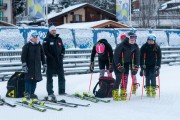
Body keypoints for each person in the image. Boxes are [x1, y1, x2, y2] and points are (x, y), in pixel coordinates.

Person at [112, 32, 140, 101]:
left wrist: (136, 67)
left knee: (125, 78)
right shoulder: (121, 45)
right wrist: (119, 66)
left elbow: (137, 57)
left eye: (134, 38)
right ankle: (115, 92)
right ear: (127, 38)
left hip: (126, 63)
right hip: (117, 62)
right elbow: (115, 56)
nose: (133, 39)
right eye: (131, 38)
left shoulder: (135, 46)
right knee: (119, 77)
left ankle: (123, 91)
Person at [21, 31, 46, 100]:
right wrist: (24, 65)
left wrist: (44, 64)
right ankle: (27, 93)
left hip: (37, 66)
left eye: (36, 37)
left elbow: (42, 56)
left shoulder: (39, 45)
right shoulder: (27, 46)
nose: (35, 38)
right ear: (31, 38)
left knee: (35, 80)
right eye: (34, 37)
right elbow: (23, 56)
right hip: (29, 66)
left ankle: (32, 93)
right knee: (28, 80)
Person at [43, 25, 65, 100]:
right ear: (49, 31)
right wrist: (51, 57)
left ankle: (62, 91)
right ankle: (50, 92)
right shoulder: (46, 39)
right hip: (50, 61)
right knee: (49, 77)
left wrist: (62, 55)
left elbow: (63, 49)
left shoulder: (59, 39)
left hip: (59, 61)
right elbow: (45, 50)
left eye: (55, 30)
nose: (54, 32)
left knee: (61, 76)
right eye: (52, 30)